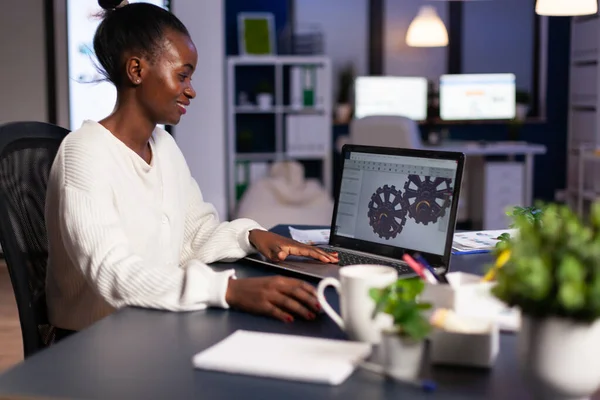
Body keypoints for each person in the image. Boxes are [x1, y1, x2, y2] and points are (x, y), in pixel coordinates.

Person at [45, 0, 338, 337]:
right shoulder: (84, 152)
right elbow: (113, 274)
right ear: (137, 71)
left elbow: (194, 234)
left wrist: (253, 235)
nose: (191, 90)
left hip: (152, 323)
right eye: (182, 75)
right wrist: (227, 290)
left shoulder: (163, 145)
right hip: (94, 341)